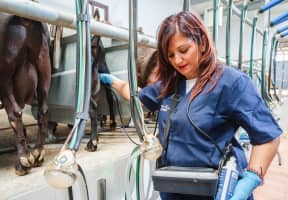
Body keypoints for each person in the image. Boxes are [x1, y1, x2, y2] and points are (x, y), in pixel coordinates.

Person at [99, 11, 282, 200]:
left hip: (214, 191)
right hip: (173, 188)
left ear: (202, 43)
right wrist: (110, 80)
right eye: (171, 55)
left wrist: (250, 179)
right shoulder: (169, 86)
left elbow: (267, 136)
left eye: (184, 50)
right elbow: (135, 95)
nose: (177, 60)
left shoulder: (232, 83)